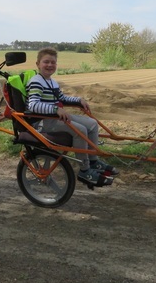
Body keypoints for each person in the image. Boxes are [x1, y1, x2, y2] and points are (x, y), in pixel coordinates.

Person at [25, 47, 119, 187]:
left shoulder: (52, 81)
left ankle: (93, 161)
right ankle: (85, 170)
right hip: (44, 122)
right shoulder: (36, 81)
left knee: (92, 123)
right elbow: (33, 105)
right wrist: (55, 109)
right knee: (80, 130)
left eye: (53, 62)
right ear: (38, 64)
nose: (50, 65)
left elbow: (61, 97)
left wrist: (78, 100)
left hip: (56, 118)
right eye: (46, 62)